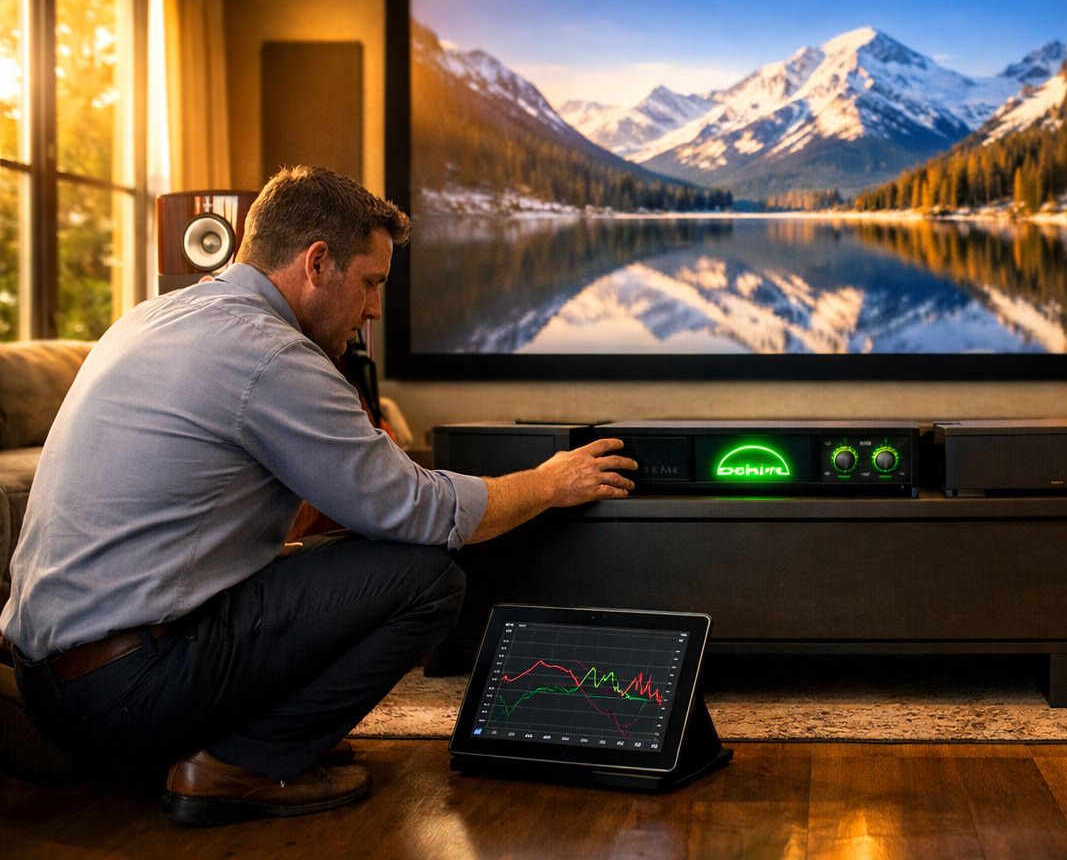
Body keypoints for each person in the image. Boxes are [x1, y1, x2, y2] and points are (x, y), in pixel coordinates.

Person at [0, 165, 636, 825]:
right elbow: (420, 511)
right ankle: (238, 766)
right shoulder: (270, 354)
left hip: (54, 676)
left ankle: (238, 738)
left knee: (340, 551)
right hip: (124, 686)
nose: (373, 310)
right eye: (370, 283)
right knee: (424, 578)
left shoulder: (156, 317)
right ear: (317, 263)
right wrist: (549, 482)